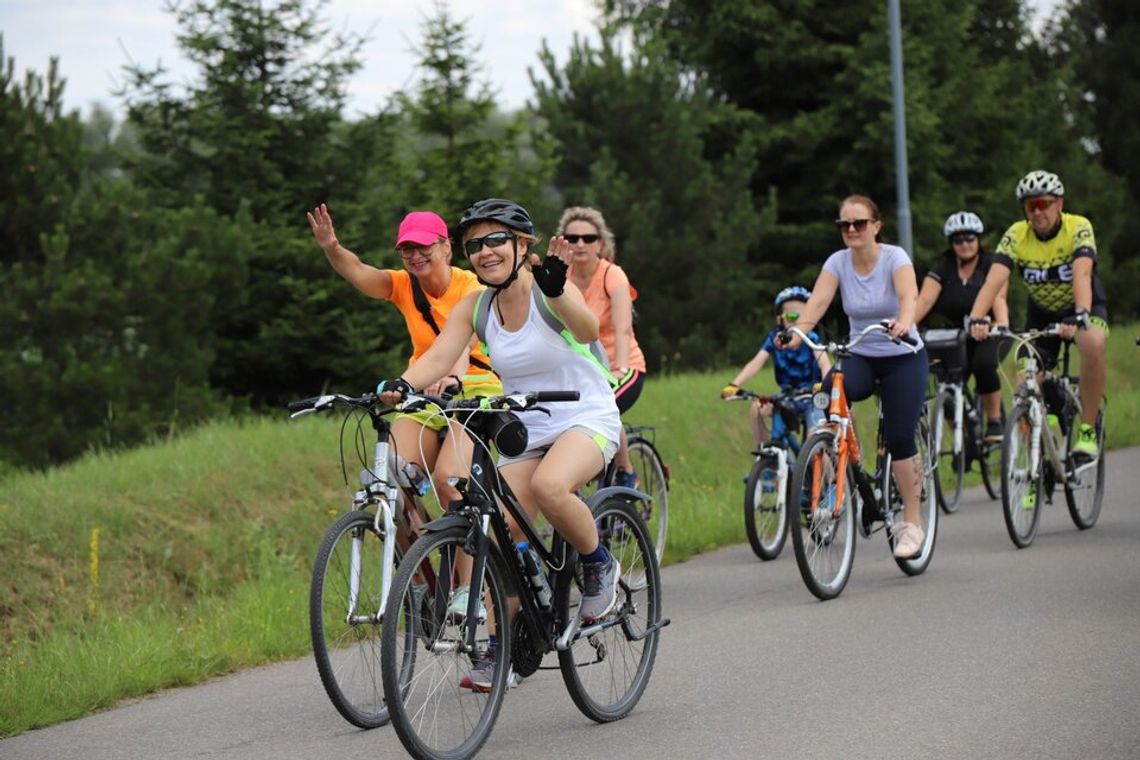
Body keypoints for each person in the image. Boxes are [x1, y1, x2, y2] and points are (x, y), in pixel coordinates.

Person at [376, 198, 623, 689]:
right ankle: (499, 646)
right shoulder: (477, 305)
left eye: (495, 240)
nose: (484, 252)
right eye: (474, 245)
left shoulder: (547, 288)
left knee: (553, 488)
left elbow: (588, 329)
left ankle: (599, 566)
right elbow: (440, 355)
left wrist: (560, 290)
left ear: (521, 244)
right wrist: (399, 386)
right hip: (529, 427)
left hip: (586, 415)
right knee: (489, 526)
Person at [306, 204, 501, 506]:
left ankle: (470, 547)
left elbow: (464, 341)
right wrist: (332, 247)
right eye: (407, 249)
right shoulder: (403, 285)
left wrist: (452, 375)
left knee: (450, 484)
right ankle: (418, 552)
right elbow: (358, 271)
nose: (415, 255)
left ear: (446, 246)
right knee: (390, 483)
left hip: (474, 389)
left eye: (423, 246)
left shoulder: (472, 286)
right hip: (423, 391)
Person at [780, 194, 929, 559]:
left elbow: (909, 296)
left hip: (902, 354)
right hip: (862, 352)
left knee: (898, 437)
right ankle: (847, 457)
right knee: (832, 391)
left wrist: (904, 323)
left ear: (876, 226)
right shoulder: (838, 262)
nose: (851, 230)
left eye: (859, 223)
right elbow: (817, 302)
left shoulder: (895, 258)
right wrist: (797, 332)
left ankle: (912, 522)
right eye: (844, 225)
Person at [967, 170, 1108, 462]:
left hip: (1083, 306)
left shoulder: (1078, 227)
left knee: (1092, 343)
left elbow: (1082, 273)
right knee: (1024, 379)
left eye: (1044, 204)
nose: (1038, 212)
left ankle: (1087, 430)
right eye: (1032, 206)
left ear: (1059, 203)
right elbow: (994, 280)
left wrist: (1080, 313)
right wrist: (977, 317)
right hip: (1041, 313)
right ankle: (1041, 457)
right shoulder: (1017, 234)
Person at [556, 206, 646, 488]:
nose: (580, 244)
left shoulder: (612, 275)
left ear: (601, 244)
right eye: (572, 238)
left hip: (623, 364)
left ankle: (625, 469)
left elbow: (622, 328)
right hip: (582, 369)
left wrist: (619, 368)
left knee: (603, 400)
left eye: (588, 238)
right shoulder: (560, 277)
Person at [915, 211, 1010, 440]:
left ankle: (995, 421)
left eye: (969, 238)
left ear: (978, 240)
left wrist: (1001, 324)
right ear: (951, 243)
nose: (964, 244)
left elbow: (998, 297)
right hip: (957, 335)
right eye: (958, 240)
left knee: (984, 364)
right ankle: (964, 438)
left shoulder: (991, 264)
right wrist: (906, 325)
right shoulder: (943, 266)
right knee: (944, 380)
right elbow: (925, 299)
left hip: (990, 331)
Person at [720, 285, 831, 446]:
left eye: (803, 317)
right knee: (757, 408)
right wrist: (734, 384)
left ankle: (818, 466)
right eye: (792, 316)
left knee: (815, 439)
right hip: (786, 397)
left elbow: (824, 363)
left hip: (811, 396)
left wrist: (826, 385)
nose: (797, 322)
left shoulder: (811, 337)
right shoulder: (774, 338)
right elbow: (756, 362)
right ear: (780, 319)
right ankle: (766, 457)